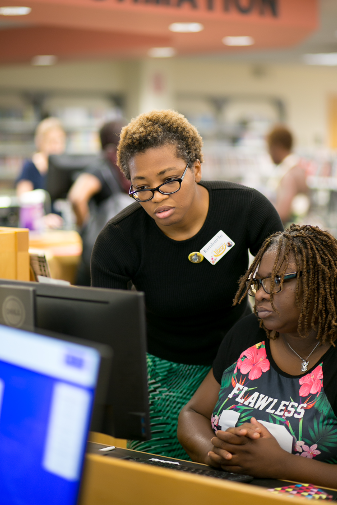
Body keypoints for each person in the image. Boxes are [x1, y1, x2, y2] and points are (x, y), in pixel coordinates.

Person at [91, 109, 283, 459]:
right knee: (161, 472)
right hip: (164, 371)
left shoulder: (245, 209)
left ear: (196, 167)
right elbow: (112, 337)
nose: (158, 197)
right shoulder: (118, 240)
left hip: (245, 363)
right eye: (142, 188)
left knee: (247, 467)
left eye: (169, 180)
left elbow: (290, 286)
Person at [178, 224, 337, 493]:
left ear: (315, 283)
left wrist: (283, 466)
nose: (261, 293)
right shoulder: (248, 332)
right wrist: (217, 455)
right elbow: (192, 414)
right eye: (258, 282)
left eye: (276, 281)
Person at [68, 119, 131, 286]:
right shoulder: (128, 166)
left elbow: (76, 198)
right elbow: (77, 197)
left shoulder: (102, 166)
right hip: (121, 249)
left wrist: (85, 228)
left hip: (99, 248)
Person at [16, 117, 66, 229]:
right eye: (52, 141)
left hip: (60, 227)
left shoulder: (63, 168)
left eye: (60, 142)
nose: (57, 146)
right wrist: (42, 220)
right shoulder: (30, 166)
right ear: (40, 142)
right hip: (37, 228)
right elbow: (23, 201)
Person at [266, 125, 309, 225]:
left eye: (269, 147)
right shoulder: (298, 167)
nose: (268, 152)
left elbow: (283, 213)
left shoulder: (288, 174)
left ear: (277, 146)